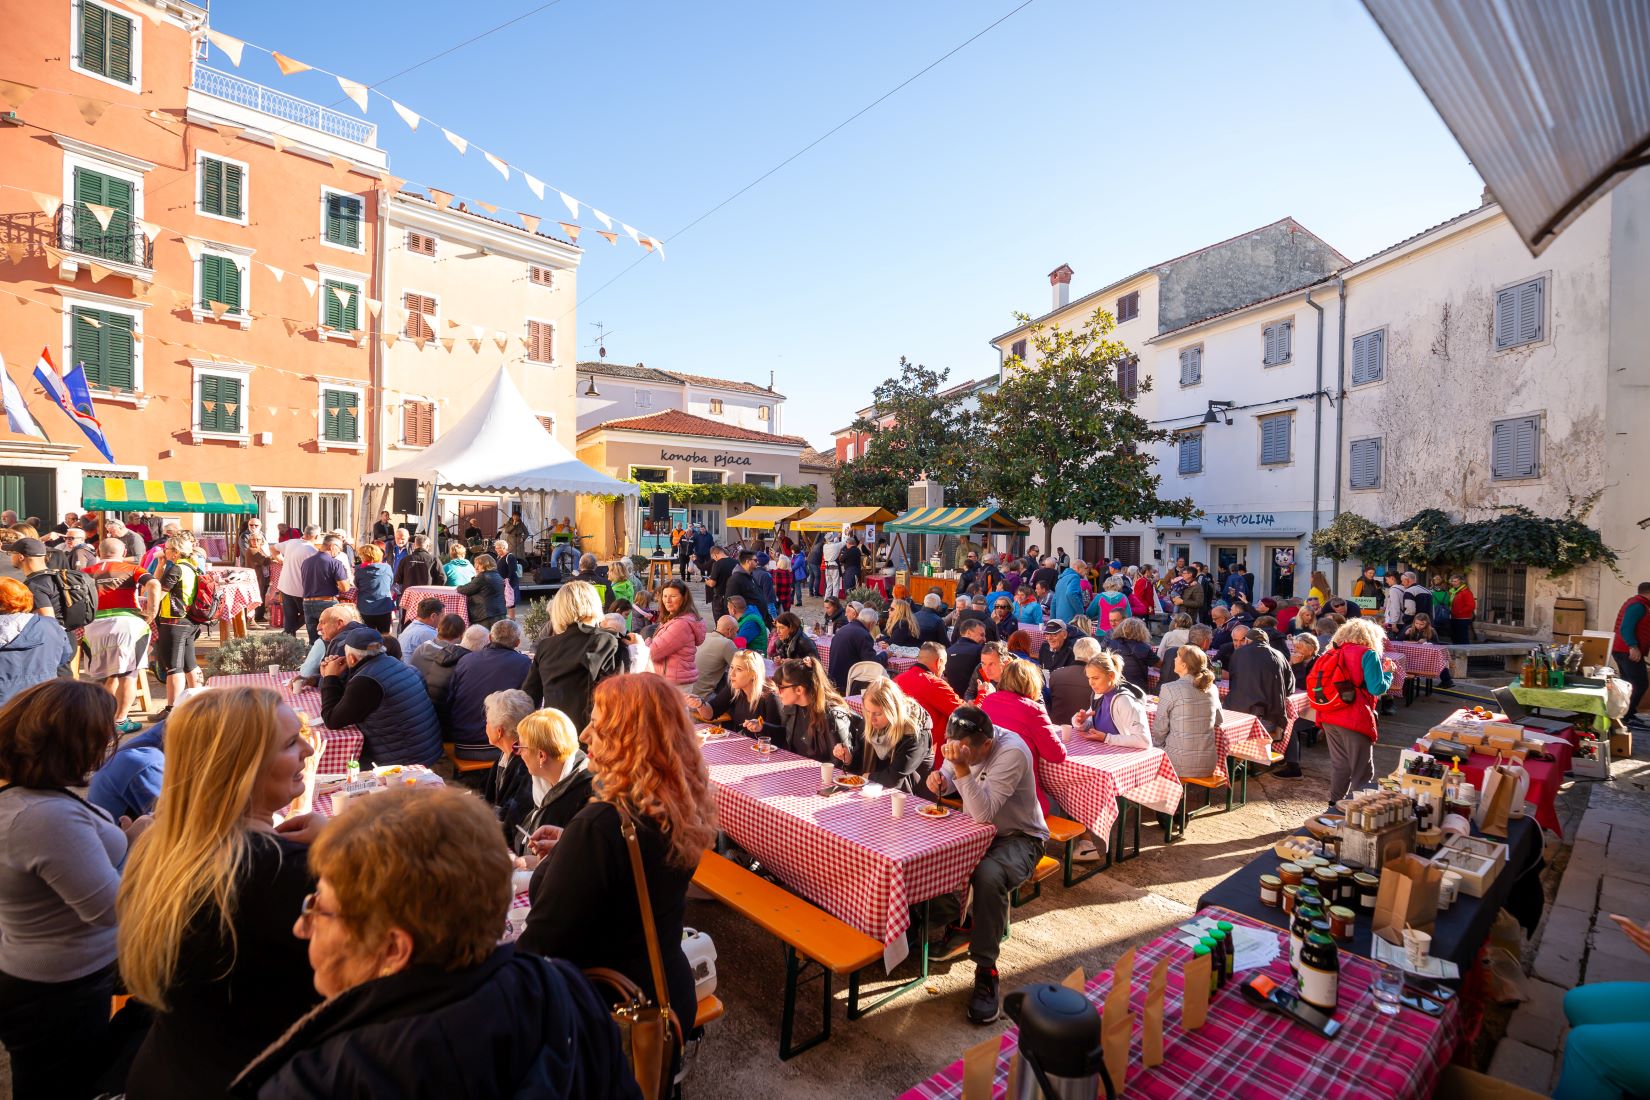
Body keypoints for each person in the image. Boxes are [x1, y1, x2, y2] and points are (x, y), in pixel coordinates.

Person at [231, 786, 634, 1099]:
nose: (302, 928)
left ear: (394, 949)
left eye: (319, 907)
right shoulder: (562, 987)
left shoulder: (323, 1082)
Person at [117, 687, 322, 1099]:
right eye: (289, 743)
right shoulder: (286, 871)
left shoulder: (163, 849)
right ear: (240, 767)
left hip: (172, 1069)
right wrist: (343, 847)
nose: (306, 747)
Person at [517, 674, 717, 1039]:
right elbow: (637, 868)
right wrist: (572, 848)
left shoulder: (602, 825)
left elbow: (542, 943)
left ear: (630, 739)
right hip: (666, 989)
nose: (584, 735)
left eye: (597, 724)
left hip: (615, 1009)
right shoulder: (678, 804)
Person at [0, 682, 150, 1100]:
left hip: (63, 976)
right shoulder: (43, 817)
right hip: (57, 992)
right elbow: (110, 909)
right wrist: (141, 848)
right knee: (60, 1087)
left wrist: (132, 837)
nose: (109, 744)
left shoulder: (34, 796)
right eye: (103, 735)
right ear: (75, 744)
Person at [923, 705, 1049, 1024]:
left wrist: (961, 769)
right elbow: (952, 782)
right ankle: (954, 922)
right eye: (955, 747)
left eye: (966, 752)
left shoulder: (1013, 752)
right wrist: (941, 779)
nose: (958, 754)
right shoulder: (964, 746)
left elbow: (984, 813)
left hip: (1019, 836)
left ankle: (986, 969)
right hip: (978, 832)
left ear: (986, 745)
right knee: (926, 850)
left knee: (988, 874)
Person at [321, 626, 444, 766]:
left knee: (346, 764)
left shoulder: (367, 682)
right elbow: (354, 701)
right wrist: (336, 676)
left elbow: (332, 720)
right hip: (426, 751)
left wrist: (330, 677)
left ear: (352, 658)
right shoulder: (398, 665)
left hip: (405, 761)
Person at [523, 581, 628, 731]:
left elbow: (529, 697)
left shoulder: (546, 646)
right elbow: (616, 697)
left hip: (554, 735)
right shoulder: (607, 641)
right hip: (591, 737)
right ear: (594, 605)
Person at [1312, 617, 1395, 806]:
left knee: (1340, 765)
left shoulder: (1332, 652)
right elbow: (1377, 688)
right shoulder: (1368, 654)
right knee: (1362, 769)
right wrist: (1389, 672)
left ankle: (1334, 805)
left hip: (1328, 714)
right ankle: (1357, 810)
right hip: (1353, 716)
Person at [83, 537, 161, 732]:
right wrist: (151, 612)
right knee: (128, 673)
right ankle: (120, 721)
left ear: (98, 553)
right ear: (124, 553)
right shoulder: (132, 569)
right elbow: (154, 585)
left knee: (103, 675)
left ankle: (103, 720)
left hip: (93, 625)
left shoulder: (85, 573)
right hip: (127, 623)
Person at [978, 658, 1069, 816]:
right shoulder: (1033, 710)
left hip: (986, 788)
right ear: (1032, 682)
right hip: (1019, 797)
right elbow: (1056, 755)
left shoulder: (989, 701)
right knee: (1061, 802)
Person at [446, 620, 533, 758]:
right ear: (517, 643)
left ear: (490, 638)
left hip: (462, 741)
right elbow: (530, 703)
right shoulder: (524, 663)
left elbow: (450, 699)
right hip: (501, 746)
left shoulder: (466, 660)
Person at [833, 677, 932, 792]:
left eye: (877, 714)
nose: (871, 719)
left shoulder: (914, 732)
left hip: (912, 798)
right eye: (868, 712)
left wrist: (867, 777)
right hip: (874, 791)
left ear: (893, 711)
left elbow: (894, 778)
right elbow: (860, 760)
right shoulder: (870, 724)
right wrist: (849, 758)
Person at [1226, 626, 1298, 776]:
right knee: (1290, 721)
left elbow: (1233, 681)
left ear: (1247, 640)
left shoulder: (1238, 654)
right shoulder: (1279, 655)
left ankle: (1237, 764)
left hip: (1237, 717)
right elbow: (1290, 688)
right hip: (1267, 719)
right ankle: (1246, 763)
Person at [477, 688, 539, 842]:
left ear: (499, 732)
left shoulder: (525, 765)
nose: (485, 726)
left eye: (487, 722)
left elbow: (511, 822)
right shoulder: (506, 754)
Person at [1154, 645, 1223, 781]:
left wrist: (1158, 747)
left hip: (1177, 762)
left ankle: (1164, 798)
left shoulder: (1169, 688)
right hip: (1208, 763)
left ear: (1184, 665)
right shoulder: (1212, 688)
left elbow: (1159, 729)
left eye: (1177, 656)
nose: (1174, 659)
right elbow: (1219, 720)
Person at [773, 656, 854, 761]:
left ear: (799, 690)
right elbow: (785, 736)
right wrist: (762, 728)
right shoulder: (793, 707)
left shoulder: (831, 716)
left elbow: (840, 763)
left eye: (781, 687)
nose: (776, 691)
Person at [896, 642, 964, 766]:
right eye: (944, 665)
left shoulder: (897, 680)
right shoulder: (936, 684)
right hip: (930, 756)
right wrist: (984, 693)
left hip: (899, 748)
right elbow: (966, 713)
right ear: (939, 662)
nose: (944, 670)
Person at [689, 649, 783, 738]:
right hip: (743, 745)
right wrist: (700, 704)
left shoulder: (771, 697)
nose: (731, 674)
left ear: (753, 674)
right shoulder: (734, 689)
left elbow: (779, 737)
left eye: (739, 669)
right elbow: (711, 712)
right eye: (731, 667)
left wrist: (762, 727)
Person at [1072, 652, 1152, 750]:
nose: (1091, 683)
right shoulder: (1099, 694)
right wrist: (1081, 722)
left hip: (1123, 758)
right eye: (1089, 678)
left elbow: (1144, 740)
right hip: (1101, 753)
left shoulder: (1124, 700)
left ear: (1111, 676)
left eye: (1095, 678)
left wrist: (1106, 738)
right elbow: (1092, 725)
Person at [645, 579, 705, 691]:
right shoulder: (673, 618)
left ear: (684, 599)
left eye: (673, 596)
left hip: (674, 685)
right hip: (669, 681)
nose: (667, 600)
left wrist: (647, 641)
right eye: (664, 596)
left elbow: (653, 652)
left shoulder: (681, 624)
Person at [298, 533, 350, 647]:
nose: (339, 552)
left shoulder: (306, 562)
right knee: (331, 640)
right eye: (340, 549)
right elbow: (345, 587)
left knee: (314, 641)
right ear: (332, 547)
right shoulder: (335, 563)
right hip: (327, 602)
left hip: (307, 602)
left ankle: (315, 663)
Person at [410, 613, 468, 714]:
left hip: (416, 703)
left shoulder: (420, 649)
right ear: (461, 635)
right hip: (440, 709)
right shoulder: (456, 657)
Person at [294, 603, 362, 687]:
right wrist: (312, 680)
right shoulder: (364, 632)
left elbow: (333, 685)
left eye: (323, 623)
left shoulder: (340, 642)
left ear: (339, 624)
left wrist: (324, 676)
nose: (318, 627)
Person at [825, 603, 886, 693]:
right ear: (871, 624)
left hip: (833, 679)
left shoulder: (844, 628)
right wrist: (885, 654)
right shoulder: (863, 635)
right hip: (847, 683)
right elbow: (873, 663)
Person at [1613, 580, 1650, 729]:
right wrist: (1633, 647)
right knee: (1639, 683)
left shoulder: (1639, 604)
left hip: (1622, 649)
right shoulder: (1638, 606)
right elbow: (1626, 627)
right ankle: (1626, 716)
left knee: (1628, 684)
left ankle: (1627, 714)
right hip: (1626, 650)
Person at [272, 525, 319, 638]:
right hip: (300, 589)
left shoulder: (292, 542)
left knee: (290, 617)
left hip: (286, 585)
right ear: (316, 536)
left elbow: (273, 548)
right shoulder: (312, 551)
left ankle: (287, 637)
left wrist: (282, 561)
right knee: (308, 614)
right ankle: (287, 634)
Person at [1047, 636, 1103, 724]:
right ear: (1096, 656)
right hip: (1083, 729)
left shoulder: (1056, 674)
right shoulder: (1098, 680)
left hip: (1057, 725)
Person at [1103, 617, 1158, 690]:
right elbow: (1158, 664)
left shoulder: (1112, 643)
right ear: (1141, 631)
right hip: (1137, 686)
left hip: (1116, 684)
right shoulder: (1144, 647)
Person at [349, 544, 394, 632]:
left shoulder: (359, 570)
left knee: (367, 637)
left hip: (366, 608)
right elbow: (390, 583)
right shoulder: (387, 568)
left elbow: (357, 585)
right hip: (384, 606)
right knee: (385, 637)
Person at [692, 614, 739, 698]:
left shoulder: (704, 636)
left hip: (686, 695)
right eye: (736, 632)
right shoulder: (727, 643)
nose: (737, 635)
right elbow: (741, 667)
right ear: (729, 630)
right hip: (703, 699)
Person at [1159, 623, 1212, 690]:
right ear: (1206, 642)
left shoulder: (1170, 651)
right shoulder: (1202, 658)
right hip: (1183, 697)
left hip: (1160, 691)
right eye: (1211, 640)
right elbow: (1208, 684)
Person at [1447, 572, 1476, 645]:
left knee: (1462, 638)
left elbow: (1471, 606)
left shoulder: (1466, 592)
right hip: (1453, 617)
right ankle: (1456, 655)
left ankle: (1464, 655)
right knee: (1454, 637)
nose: (1454, 583)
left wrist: (1459, 611)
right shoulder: (1452, 591)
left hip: (1463, 619)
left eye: (1456, 581)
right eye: (1452, 581)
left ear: (1461, 581)